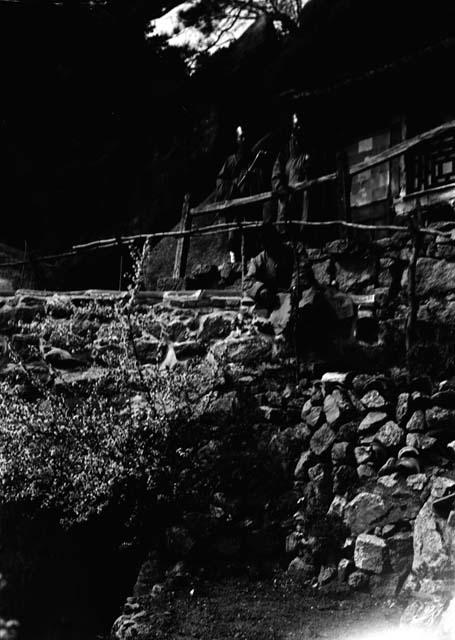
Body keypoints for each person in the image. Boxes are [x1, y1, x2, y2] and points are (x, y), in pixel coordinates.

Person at [216, 125, 266, 263]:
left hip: (251, 206)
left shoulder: (254, 160)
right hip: (235, 208)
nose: (244, 139)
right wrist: (233, 185)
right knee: (234, 235)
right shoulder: (230, 161)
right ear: (237, 140)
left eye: (245, 136)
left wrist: (254, 177)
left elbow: (262, 181)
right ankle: (233, 262)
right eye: (240, 136)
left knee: (253, 234)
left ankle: (253, 263)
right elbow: (221, 182)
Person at [271, 112, 311, 225]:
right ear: (292, 127)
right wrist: (282, 190)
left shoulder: (310, 150)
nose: (299, 128)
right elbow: (276, 176)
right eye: (296, 125)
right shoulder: (285, 151)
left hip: (305, 199)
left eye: (301, 125)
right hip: (289, 200)